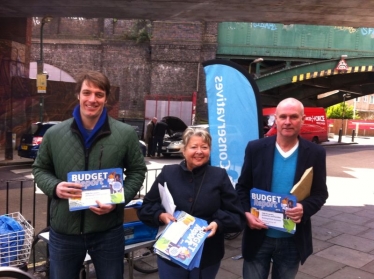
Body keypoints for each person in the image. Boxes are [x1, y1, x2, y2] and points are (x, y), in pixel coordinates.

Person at [32, 70, 147, 279]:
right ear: (78, 95)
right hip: (64, 232)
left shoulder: (125, 134)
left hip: (108, 231)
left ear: (106, 98)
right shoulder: (55, 134)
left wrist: (117, 201)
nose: (92, 99)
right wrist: (55, 187)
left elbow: (137, 171)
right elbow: (40, 169)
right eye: (87, 93)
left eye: (99, 94)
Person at [236, 97, 328, 279]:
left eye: (293, 117)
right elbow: (242, 187)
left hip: (292, 240)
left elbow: (320, 193)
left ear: (302, 120)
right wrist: (246, 213)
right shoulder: (255, 148)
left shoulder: (316, 153)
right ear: (275, 119)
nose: (287, 122)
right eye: (283, 116)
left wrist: (304, 208)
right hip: (258, 236)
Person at [138, 127, 245, 279]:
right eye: (193, 147)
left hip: (207, 254)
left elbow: (236, 215)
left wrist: (218, 223)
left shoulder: (219, 176)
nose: (199, 151)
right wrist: (161, 216)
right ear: (184, 150)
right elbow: (146, 207)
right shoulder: (168, 173)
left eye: (204, 147)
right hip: (171, 253)